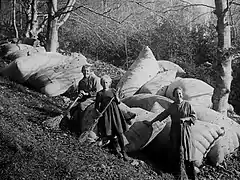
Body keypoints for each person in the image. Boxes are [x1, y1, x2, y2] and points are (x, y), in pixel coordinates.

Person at [146, 87, 197, 180]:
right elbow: (162, 115)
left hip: (185, 131)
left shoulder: (187, 105)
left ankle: (191, 173)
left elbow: (193, 117)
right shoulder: (172, 106)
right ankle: (178, 172)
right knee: (176, 150)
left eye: (180, 94)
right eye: (177, 94)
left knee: (186, 150)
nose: (179, 96)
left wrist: (185, 119)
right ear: (174, 96)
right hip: (175, 131)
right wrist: (151, 122)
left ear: (182, 94)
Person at [95, 75, 131, 161]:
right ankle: (116, 150)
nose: (105, 84)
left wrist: (117, 97)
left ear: (110, 83)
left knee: (119, 132)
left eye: (107, 82)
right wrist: (98, 113)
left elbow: (118, 102)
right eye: (103, 82)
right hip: (106, 114)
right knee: (110, 133)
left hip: (115, 113)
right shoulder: (99, 94)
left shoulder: (113, 91)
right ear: (101, 83)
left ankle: (124, 152)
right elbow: (96, 106)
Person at [67, 65, 102, 135]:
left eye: (87, 71)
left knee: (82, 106)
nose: (86, 73)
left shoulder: (95, 79)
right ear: (82, 71)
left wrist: (86, 94)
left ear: (90, 71)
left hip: (94, 97)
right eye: (84, 71)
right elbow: (80, 93)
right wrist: (80, 95)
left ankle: (81, 125)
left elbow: (98, 92)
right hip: (86, 98)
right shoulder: (81, 82)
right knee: (72, 107)